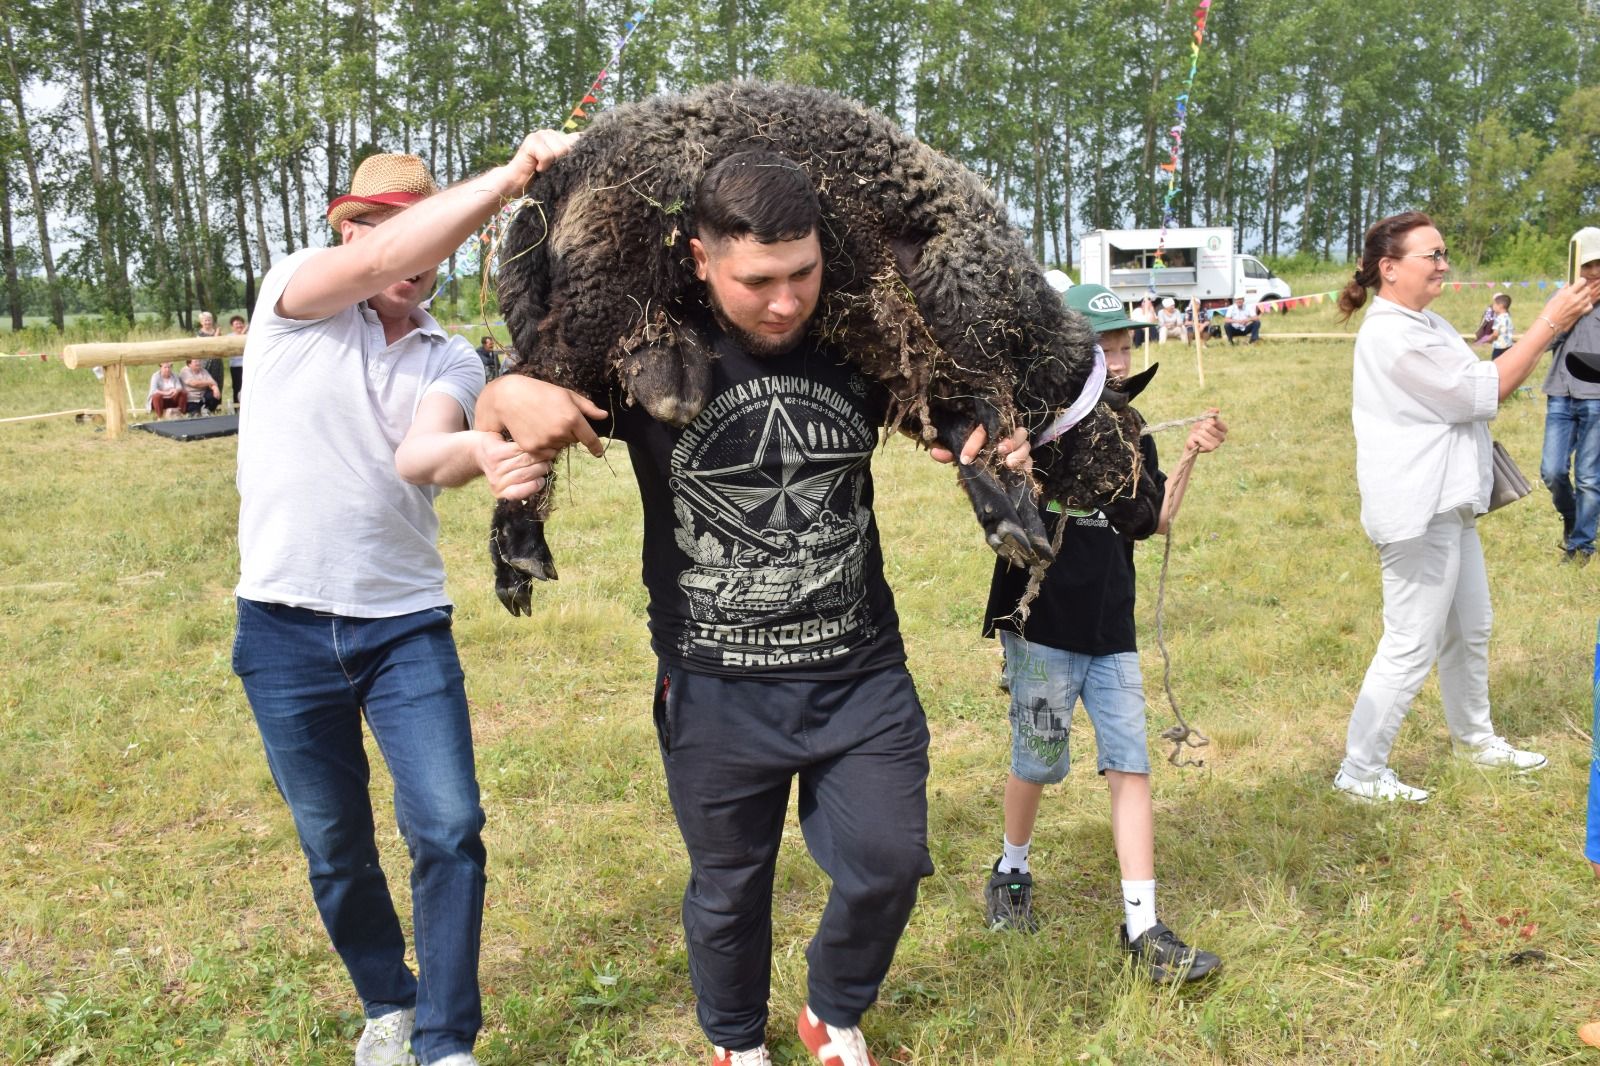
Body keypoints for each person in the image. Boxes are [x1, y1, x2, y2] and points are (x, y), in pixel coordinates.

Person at [476, 149, 1029, 1066]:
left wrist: (985, 436)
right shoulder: (649, 351)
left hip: (859, 673)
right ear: (700, 257)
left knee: (889, 863)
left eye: (802, 274)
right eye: (757, 281)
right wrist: (504, 391)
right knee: (730, 887)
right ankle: (737, 1043)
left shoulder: (863, 340)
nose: (783, 302)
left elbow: (957, 401)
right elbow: (514, 398)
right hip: (713, 683)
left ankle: (831, 1007)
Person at [232, 136, 573, 1066]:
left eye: (432, 245)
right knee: (335, 846)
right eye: (392, 234)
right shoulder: (294, 299)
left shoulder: (447, 354)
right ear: (349, 230)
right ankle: (389, 998)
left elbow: (419, 455)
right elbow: (377, 261)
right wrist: (510, 175)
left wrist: (480, 455)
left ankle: (444, 1038)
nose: (414, 262)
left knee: (451, 827)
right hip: (281, 627)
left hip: (405, 628)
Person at [981, 282, 1224, 984]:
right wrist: (1015, 471)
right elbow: (1002, 519)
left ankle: (1143, 925)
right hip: (1044, 623)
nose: (1117, 359)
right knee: (1037, 762)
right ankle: (1012, 869)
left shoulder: (1134, 431)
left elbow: (1152, 523)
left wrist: (1187, 458)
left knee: (1131, 764)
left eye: (1123, 345)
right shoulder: (1036, 425)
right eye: (1103, 347)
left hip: (1111, 625)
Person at [1332, 211, 1598, 803]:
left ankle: (1474, 740)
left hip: (1450, 506)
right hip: (1417, 511)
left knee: (1470, 628)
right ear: (1390, 267)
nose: (1445, 265)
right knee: (1410, 643)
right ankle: (1360, 770)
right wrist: (1550, 322)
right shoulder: (1390, 335)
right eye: (1433, 255)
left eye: (1445, 252)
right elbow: (1482, 392)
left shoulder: (1423, 322)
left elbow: (1481, 374)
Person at [1540, 228, 1600, 566]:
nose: (1592, 273)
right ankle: (1573, 516)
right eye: (1586, 265)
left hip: (1596, 398)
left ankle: (1582, 546)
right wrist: (1572, 311)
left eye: (1598, 265)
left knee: (1590, 476)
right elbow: (1544, 341)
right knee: (1552, 471)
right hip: (1560, 393)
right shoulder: (1559, 297)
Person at [196, 311, 227, 402]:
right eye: (205, 320)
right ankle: (207, 405)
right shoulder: (200, 334)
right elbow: (210, 345)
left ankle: (218, 405)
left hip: (217, 361)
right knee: (207, 383)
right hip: (206, 362)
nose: (208, 322)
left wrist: (218, 334)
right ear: (201, 322)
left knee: (218, 382)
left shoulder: (216, 331)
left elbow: (221, 344)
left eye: (209, 320)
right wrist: (217, 334)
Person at [227, 314, 247, 409]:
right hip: (236, 365)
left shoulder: (249, 335)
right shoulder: (229, 336)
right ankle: (237, 407)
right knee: (237, 386)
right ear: (232, 326)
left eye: (240, 323)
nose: (239, 325)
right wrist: (242, 333)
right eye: (236, 324)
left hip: (248, 364)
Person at [1489, 293, 1515, 360]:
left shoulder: (1498, 319)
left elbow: (1495, 334)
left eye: (1494, 304)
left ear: (1500, 306)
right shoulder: (1508, 317)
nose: (1493, 306)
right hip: (1509, 346)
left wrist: (1490, 339)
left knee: (1495, 365)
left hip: (1499, 347)